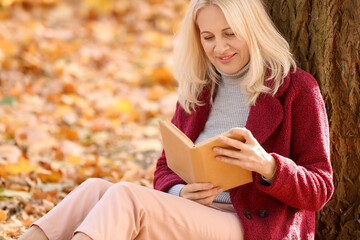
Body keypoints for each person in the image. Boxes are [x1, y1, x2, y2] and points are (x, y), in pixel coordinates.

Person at [19, 0, 334, 239]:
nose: (219, 48)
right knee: (93, 189)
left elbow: (320, 189)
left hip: (250, 225)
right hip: (193, 210)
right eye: (208, 37)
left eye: (230, 34)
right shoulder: (200, 88)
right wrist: (180, 192)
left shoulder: (296, 89)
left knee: (125, 195)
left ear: (252, 30)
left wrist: (267, 166)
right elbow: (164, 168)